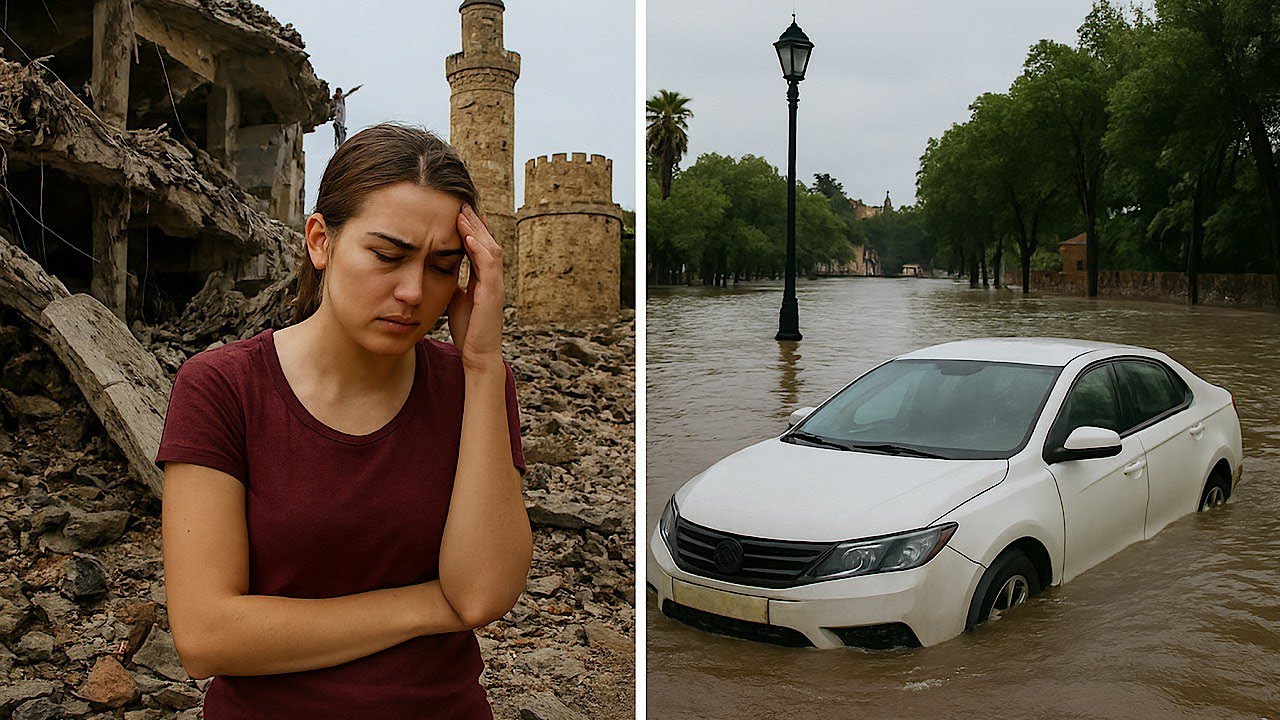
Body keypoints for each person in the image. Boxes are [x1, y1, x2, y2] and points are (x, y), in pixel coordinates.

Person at [155, 122, 531, 719]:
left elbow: (482, 592)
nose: (412, 291)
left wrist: (483, 364)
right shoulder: (224, 388)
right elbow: (205, 636)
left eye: (442, 267)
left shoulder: (475, 387)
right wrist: (429, 607)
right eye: (388, 255)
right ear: (320, 242)